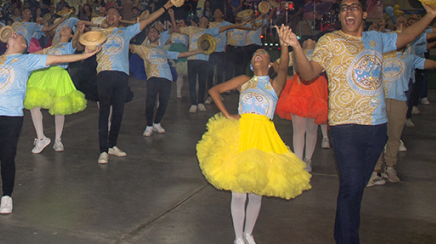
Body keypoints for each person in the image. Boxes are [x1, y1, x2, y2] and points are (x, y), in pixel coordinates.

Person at [290, 0, 436, 244]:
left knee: (356, 188)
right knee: (351, 186)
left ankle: (343, 237)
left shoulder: (376, 39)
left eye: (355, 7)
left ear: (363, 13)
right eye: (344, 8)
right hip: (345, 126)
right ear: (339, 15)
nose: (349, 12)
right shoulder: (329, 41)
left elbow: (407, 36)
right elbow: (308, 74)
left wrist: (431, 14)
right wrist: (296, 47)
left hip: (377, 126)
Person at [0, 32, 99, 220]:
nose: (14, 33)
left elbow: (57, 58)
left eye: (19, 36)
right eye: (13, 33)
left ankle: (6, 196)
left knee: (7, 158)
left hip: (11, 116)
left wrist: (84, 55)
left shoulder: (28, 60)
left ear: (23, 45)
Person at [198, 26, 310, 244]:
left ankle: (249, 233)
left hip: (264, 136)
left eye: (263, 54)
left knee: (257, 190)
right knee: (239, 191)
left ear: (269, 64)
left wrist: (284, 45)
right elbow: (214, 91)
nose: (258, 55)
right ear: (251, 63)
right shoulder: (243, 81)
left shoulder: (275, 84)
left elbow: (285, 66)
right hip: (241, 135)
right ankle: (238, 237)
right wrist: (228, 115)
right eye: (255, 54)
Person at [368, 25, 436, 186]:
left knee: (394, 137)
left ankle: (390, 167)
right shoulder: (378, 56)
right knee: (377, 137)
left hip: (398, 102)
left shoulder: (410, 58)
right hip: (379, 102)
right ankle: (375, 171)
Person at [91, 0, 176, 164]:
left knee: (119, 111)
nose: (110, 15)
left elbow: (148, 20)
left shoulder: (127, 32)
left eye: (114, 13)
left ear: (120, 17)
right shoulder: (99, 33)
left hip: (122, 75)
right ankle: (103, 150)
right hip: (104, 73)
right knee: (104, 112)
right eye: (108, 14)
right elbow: (86, 45)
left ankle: (112, 145)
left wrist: (165, 6)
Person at [25, 25, 87, 153]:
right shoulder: (50, 48)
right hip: (43, 74)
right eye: (62, 28)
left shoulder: (69, 45)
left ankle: (58, 140)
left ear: (71, 35)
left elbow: (76, 42)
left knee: (60, 107)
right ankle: (41, 137)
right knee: (33, 105)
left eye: (68, 29)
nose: (64, 29)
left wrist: (79, 32)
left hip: (59, 75)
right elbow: (33, 56)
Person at [275, 37, 328, 172]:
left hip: (315, 93)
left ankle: (308, 159)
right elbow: (279, 65)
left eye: (312, 39)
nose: (310, 40)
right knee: (298, 129)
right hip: (297, 92)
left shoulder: (321, 53)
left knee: (311, 128)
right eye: (307, 39)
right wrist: (286, 78)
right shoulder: (295, 54)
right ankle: (298, 161)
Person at [130, 38, 199, 137]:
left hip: (166, 78)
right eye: (150, 31)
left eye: (154, 31)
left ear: (159, 35)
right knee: (150, 103)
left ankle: (157, 123)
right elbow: (131, 46)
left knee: (164, 102)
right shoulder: (144, 49)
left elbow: (181, 54)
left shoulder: (164, 51)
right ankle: (149, 126)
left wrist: (197, 51)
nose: (152, 32)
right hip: (153, 77)